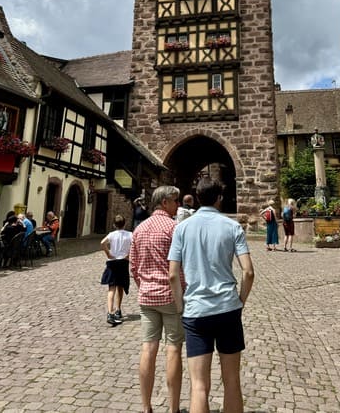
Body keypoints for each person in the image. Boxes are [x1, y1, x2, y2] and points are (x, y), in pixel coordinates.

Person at [168, 177, 254, 413]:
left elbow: (173, 275)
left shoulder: (182, 228)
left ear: (197, 198)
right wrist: (240, 302)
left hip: (196, 311)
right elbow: (248, 272)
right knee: (232, 382)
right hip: (228, 308)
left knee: (198, 386)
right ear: (219, 198)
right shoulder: (232, 226)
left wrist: (180, 307)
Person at [129, 185, 185, 413]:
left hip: (147, 298)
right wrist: (182, 294)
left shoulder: (139, 229)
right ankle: (173, 408)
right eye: (175, 201)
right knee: (173, 349)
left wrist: (144, 286)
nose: (178, 205)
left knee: (148, 349)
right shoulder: (175, 229)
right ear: (164, 203)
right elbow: (180, 268)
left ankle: (146, 407)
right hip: (171, 297)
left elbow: (133, 266)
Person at [100, 214, 133, 326]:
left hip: (112, 263)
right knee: (121, 286)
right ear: (125, 224)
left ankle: (110, 312)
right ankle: (118, 310)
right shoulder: (130, 234)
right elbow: (135, 245)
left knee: (111, 288)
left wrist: (108, 253)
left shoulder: (112, 234)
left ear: (114, 225)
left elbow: (102, 243)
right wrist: (128, 254)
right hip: (123, 262)